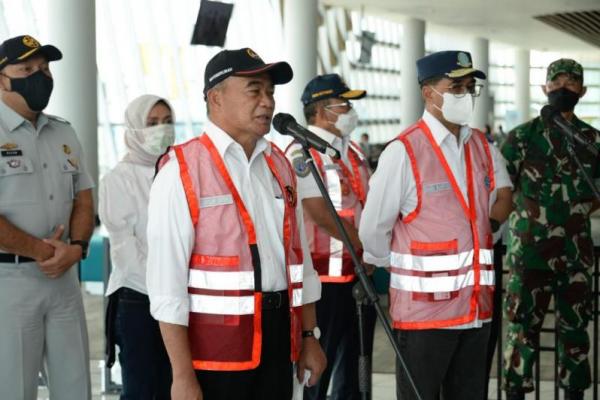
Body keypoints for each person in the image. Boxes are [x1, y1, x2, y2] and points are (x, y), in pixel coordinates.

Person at [146, 47, 327, 400]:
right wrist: (182, 376)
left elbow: (300, 263)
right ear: (216, 98)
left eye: (271, 92)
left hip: (279, 340)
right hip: (215, 352)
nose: (268, 102)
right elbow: (166, 287)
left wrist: (310, 337)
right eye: (254, 91)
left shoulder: (279, 165)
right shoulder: (182, 171)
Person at [358, 50, 513, 400]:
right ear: (429, 92)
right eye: (456, 86)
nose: (465, 95)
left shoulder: (482, 147)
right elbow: (373, 229)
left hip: (476, 313)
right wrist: (399, 269)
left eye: (470, 87)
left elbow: (500, 200)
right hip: (425, 318)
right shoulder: (405, 151)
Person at [0, 35, 94, 400]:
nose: (40, 76)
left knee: (75, 388)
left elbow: (84, 198)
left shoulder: (63, 131)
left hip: (64, 280)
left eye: (44, 68)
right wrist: (40, 251)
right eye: (27, 69)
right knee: (13, 388)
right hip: (10, 282)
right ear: (2, 79)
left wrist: (78, 247)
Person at [501, 58, 600, 400]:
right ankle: (515, 392)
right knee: (520, 331)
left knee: (575, 333)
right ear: (544, 88)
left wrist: (574, 210)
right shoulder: (521, 138)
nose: (562, 89)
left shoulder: (591, 140)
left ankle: (573, 393)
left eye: (570, 84)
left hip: (575, 256)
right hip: (528, 256)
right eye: (556, 83)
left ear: (582, 91)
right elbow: (502, 190)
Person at [285, 74, 376, 400]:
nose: (350, 110)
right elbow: (318, 211)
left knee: (355, 368)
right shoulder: (303, 152)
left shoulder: (349, 151)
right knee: (317, 371)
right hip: (324, 281)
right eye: (344, 103)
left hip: (357, 274)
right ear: (322, 110)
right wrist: (363, 246)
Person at [99, 94, 175, 399]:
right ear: (133, 128)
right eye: (152, 123)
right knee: (143, 389)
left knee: (177, 385)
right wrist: (165, 290)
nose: (162, 130)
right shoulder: (119, 179)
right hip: (139, 299)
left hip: (179, 299)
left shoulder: (179, 171)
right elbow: (126, 252)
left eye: (168, 122)